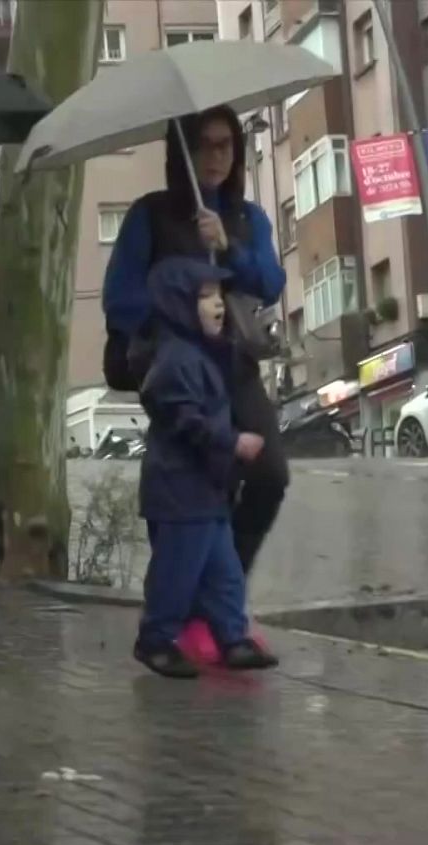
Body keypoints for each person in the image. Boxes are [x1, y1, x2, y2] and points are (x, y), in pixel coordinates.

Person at [101, 106, 290, 576]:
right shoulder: (152, 215)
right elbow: (120, 299)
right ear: (182, 149)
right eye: (204, 144)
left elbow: (270, 282)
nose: (216, 156)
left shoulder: (248, 218)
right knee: (196, 487)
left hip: (234, 365)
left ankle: (225, 585)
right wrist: (184, 309)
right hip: (177, 369)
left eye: (226, 144)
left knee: (268, 474)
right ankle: (186, 604)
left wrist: (228, 247)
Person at [135, 257, 277, 678]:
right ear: (179, 305)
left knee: (224, 573)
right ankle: (156, 641)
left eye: (219, 295)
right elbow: (185, 420)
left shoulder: (201, 354)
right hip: (180, 491)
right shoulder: (176, 360)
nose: (218, 304)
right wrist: (232, 442)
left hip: (206, 490)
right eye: (205, 297)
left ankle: (232, 638)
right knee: (176, 574)